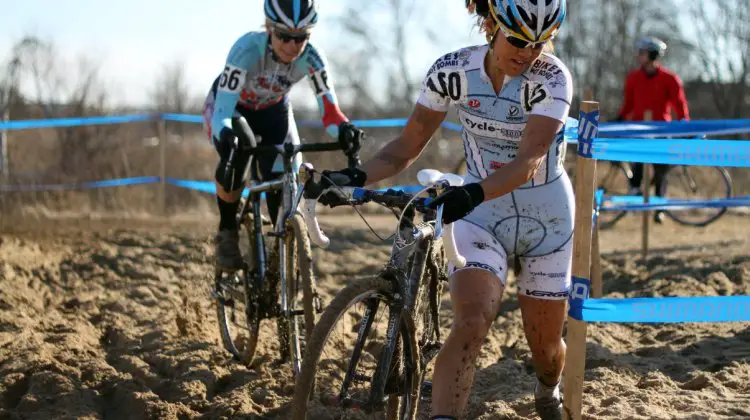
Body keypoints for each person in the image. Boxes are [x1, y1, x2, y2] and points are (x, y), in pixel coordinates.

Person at [312, 0, 571, 418]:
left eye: (540, 44)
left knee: (544, 348)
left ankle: (548, 389)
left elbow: (530, 160)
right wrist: (354, 177)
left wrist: (470, 192)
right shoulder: (453, 71)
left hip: (546, 218)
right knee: (471, 321)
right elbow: (405, 148)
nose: (527, 52)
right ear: (491, 24)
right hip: (484, 215)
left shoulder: (552, 78)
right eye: (519, 39)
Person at [202, 0, 364, 270]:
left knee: (286, 175)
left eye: (300, 37)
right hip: (233, 110)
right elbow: (223, 114)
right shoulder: (246, 49)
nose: (292, 45)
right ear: (268, 28)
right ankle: (227, 232)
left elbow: (331, 114)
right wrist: (226, 135)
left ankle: (277, 253)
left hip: (274, 112)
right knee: (240, 149)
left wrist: (346, 129)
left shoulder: (312, 57)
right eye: (284, 36)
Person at [615, 36, 691, 223]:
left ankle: (659, 207)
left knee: (661, 169)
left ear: (653, 54)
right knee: (637, 163)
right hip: (639, 129)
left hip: (661, 129)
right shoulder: (633, 78)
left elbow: (679, 105)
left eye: (642, 52)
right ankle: (634, 192)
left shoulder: (670, 79)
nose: (639, 56)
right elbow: (629, 104)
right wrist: (620, 118)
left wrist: (685, 124)